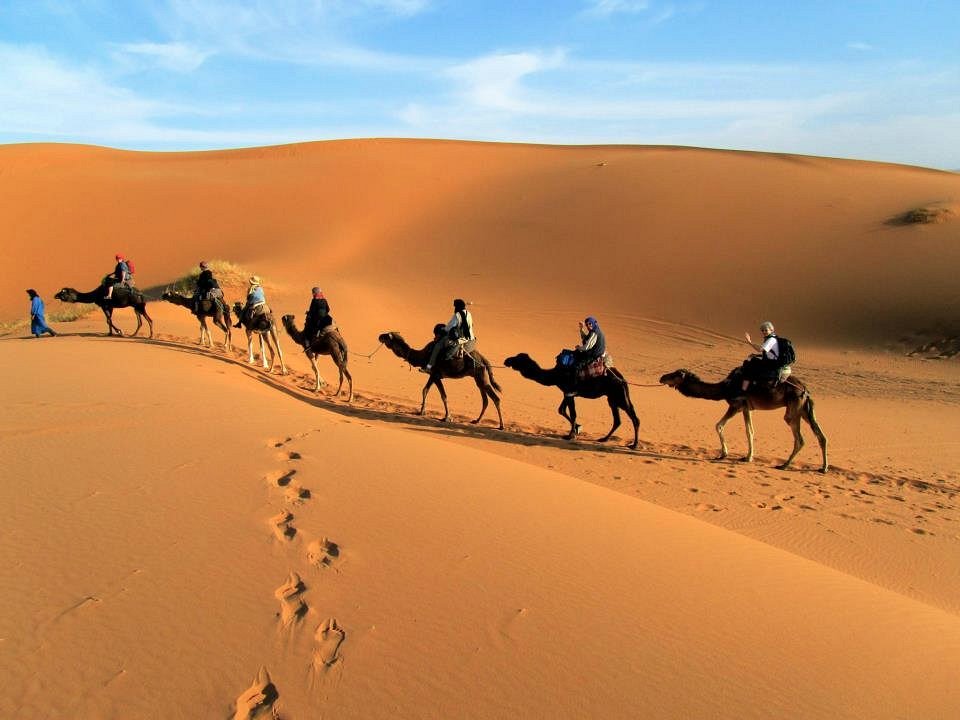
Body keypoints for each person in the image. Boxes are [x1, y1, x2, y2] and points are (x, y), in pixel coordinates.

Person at [422, 298, 475, 374]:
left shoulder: (457, 315)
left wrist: (443, 329)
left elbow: (448, 328)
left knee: (438, 346)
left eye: (455, 307)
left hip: (459, 339)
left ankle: (429, 367)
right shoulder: (469, 314)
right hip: (470, 338)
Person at [740, 320, 780, 392]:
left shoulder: (771, 339)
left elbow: (760, 349)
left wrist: (750, 342)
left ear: (771, 330)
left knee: (748, 364)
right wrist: (756, 355)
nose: (764, 332)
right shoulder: (772, 338)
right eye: (762, 330)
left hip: (771, 363)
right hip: (771, 361)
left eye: (766, 330)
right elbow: (768, 352)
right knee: (752, 359)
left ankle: (744, 389)